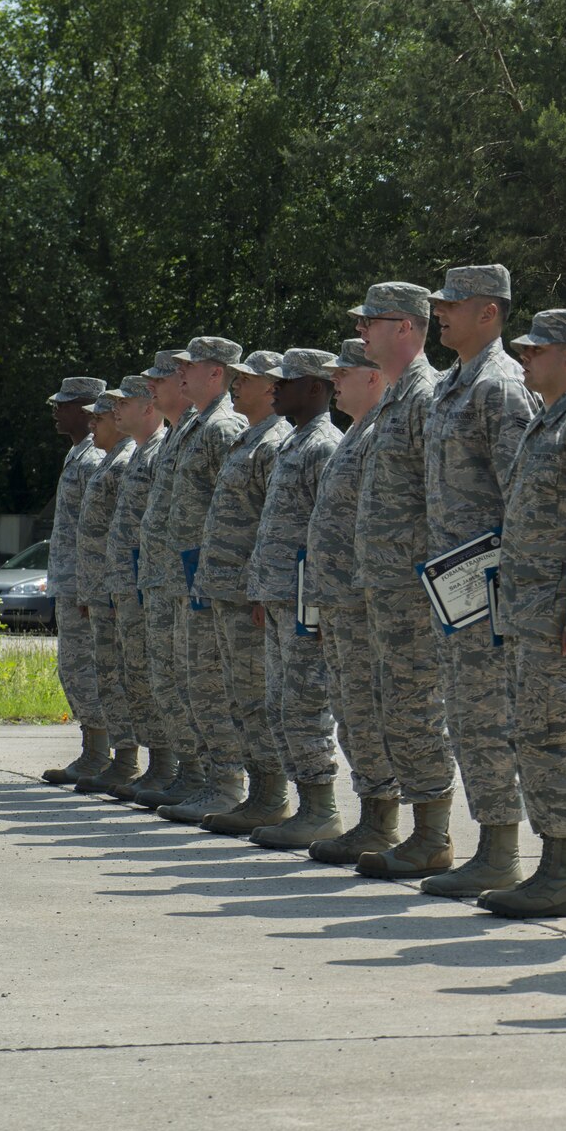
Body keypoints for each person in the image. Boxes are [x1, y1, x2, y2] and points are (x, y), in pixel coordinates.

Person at [478, 309, 566, 919]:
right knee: (532, 737)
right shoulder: (546, 424)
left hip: (560, 622)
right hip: (528, 615)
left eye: (538, 350)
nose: (525, 358)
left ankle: (565, 872)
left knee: (556, 739)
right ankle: (549, 866)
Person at [417, 264, 538, 898]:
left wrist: (506, 583)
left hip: (488, 588)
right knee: (465, 715)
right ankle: (489, 842)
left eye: (452, 305)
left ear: (488, 313)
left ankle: (502, 850)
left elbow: (522, 494)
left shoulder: (502, 387)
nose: (441, 312)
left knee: (490, 716)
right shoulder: (450, 385)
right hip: (451, 588)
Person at [351, 282, 457, 880]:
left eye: (374, 321)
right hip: (385, 588)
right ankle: (418, 831)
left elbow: (440, 499)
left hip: (416, 593)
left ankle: (433, 836)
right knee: (395, 708)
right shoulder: (395, 397)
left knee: (418, 709)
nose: (363, 331)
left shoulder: (427, 396)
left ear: (407, 328)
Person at [304, 339, 402, 862]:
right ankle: (374, 817)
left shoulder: (378, 430)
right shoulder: (355, 435)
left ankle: (387, 822)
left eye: (345, 371)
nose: (335, 380)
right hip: (343, 600)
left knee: (377, 710)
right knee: (354, 713)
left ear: (372, 378)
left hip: (369, 601)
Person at [243, 349, 345, 848]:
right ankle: (303, 805)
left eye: (288, 382)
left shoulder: (324, 445)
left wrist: (319, 603)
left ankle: (321, 809)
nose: (275, 389)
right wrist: (263, 591)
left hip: (307, 603)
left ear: (317, 387)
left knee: (306, 705)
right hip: (281, 598)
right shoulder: (294, 443)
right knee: (281, 704)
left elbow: (327, 533)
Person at [192, 350, 294, 834]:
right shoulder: (248, 439)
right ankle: (257, 792)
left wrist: (258, 589)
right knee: (238, 696)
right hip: (228, 589)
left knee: (256, 695)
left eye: (248, 379)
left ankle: (271, 795)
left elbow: (274, 524)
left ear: (273, 387)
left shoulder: (275, 443)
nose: (238, 384)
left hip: (251, 592)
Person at [157, 337, 251, 825]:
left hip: (213, 579)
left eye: (189, 368)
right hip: (185, 578)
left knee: (214, 684)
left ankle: (228, 784)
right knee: (194, 682)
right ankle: (209, 779)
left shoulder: (223, 427)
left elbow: (234, 505)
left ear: (217, 373)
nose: (181, 376)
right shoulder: (195, 425)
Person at [132, 350, 203, 809]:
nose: (158, 384)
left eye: (173, 374)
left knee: (206, 687)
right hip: (166, 581)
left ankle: (215, 782)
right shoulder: (181, 435)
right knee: (171, 684)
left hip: (196, 584)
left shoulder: (216, 430)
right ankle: (189, 775)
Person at [99, 373, 171, 801]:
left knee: (156, 675)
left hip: (152, 585)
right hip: (133, 583)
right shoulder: (140, 454)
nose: (114, 411)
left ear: (148, 408)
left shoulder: (157, 451)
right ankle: (157, 766)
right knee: (138, 676)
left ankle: (169, 768)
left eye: (124, 403)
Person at [69, 393, 138, 793]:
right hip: (103, 586)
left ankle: (133, 761)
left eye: (100, 418)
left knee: (129, 676)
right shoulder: (108, 461)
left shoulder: (124, 461)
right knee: (106, 674)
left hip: (120, 588)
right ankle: (109, 756)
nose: (92, 424)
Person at [42, 376, 108, 786]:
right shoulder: (78, 455)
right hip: (71, 584)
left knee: (87, 669)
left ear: (85, 411)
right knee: (75, 668)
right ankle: (93, 751)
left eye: (63, 404)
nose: (56, 410)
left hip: (84, 586)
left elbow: (97, 529)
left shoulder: (92, 459)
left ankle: (100, 755)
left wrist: (89, 585)